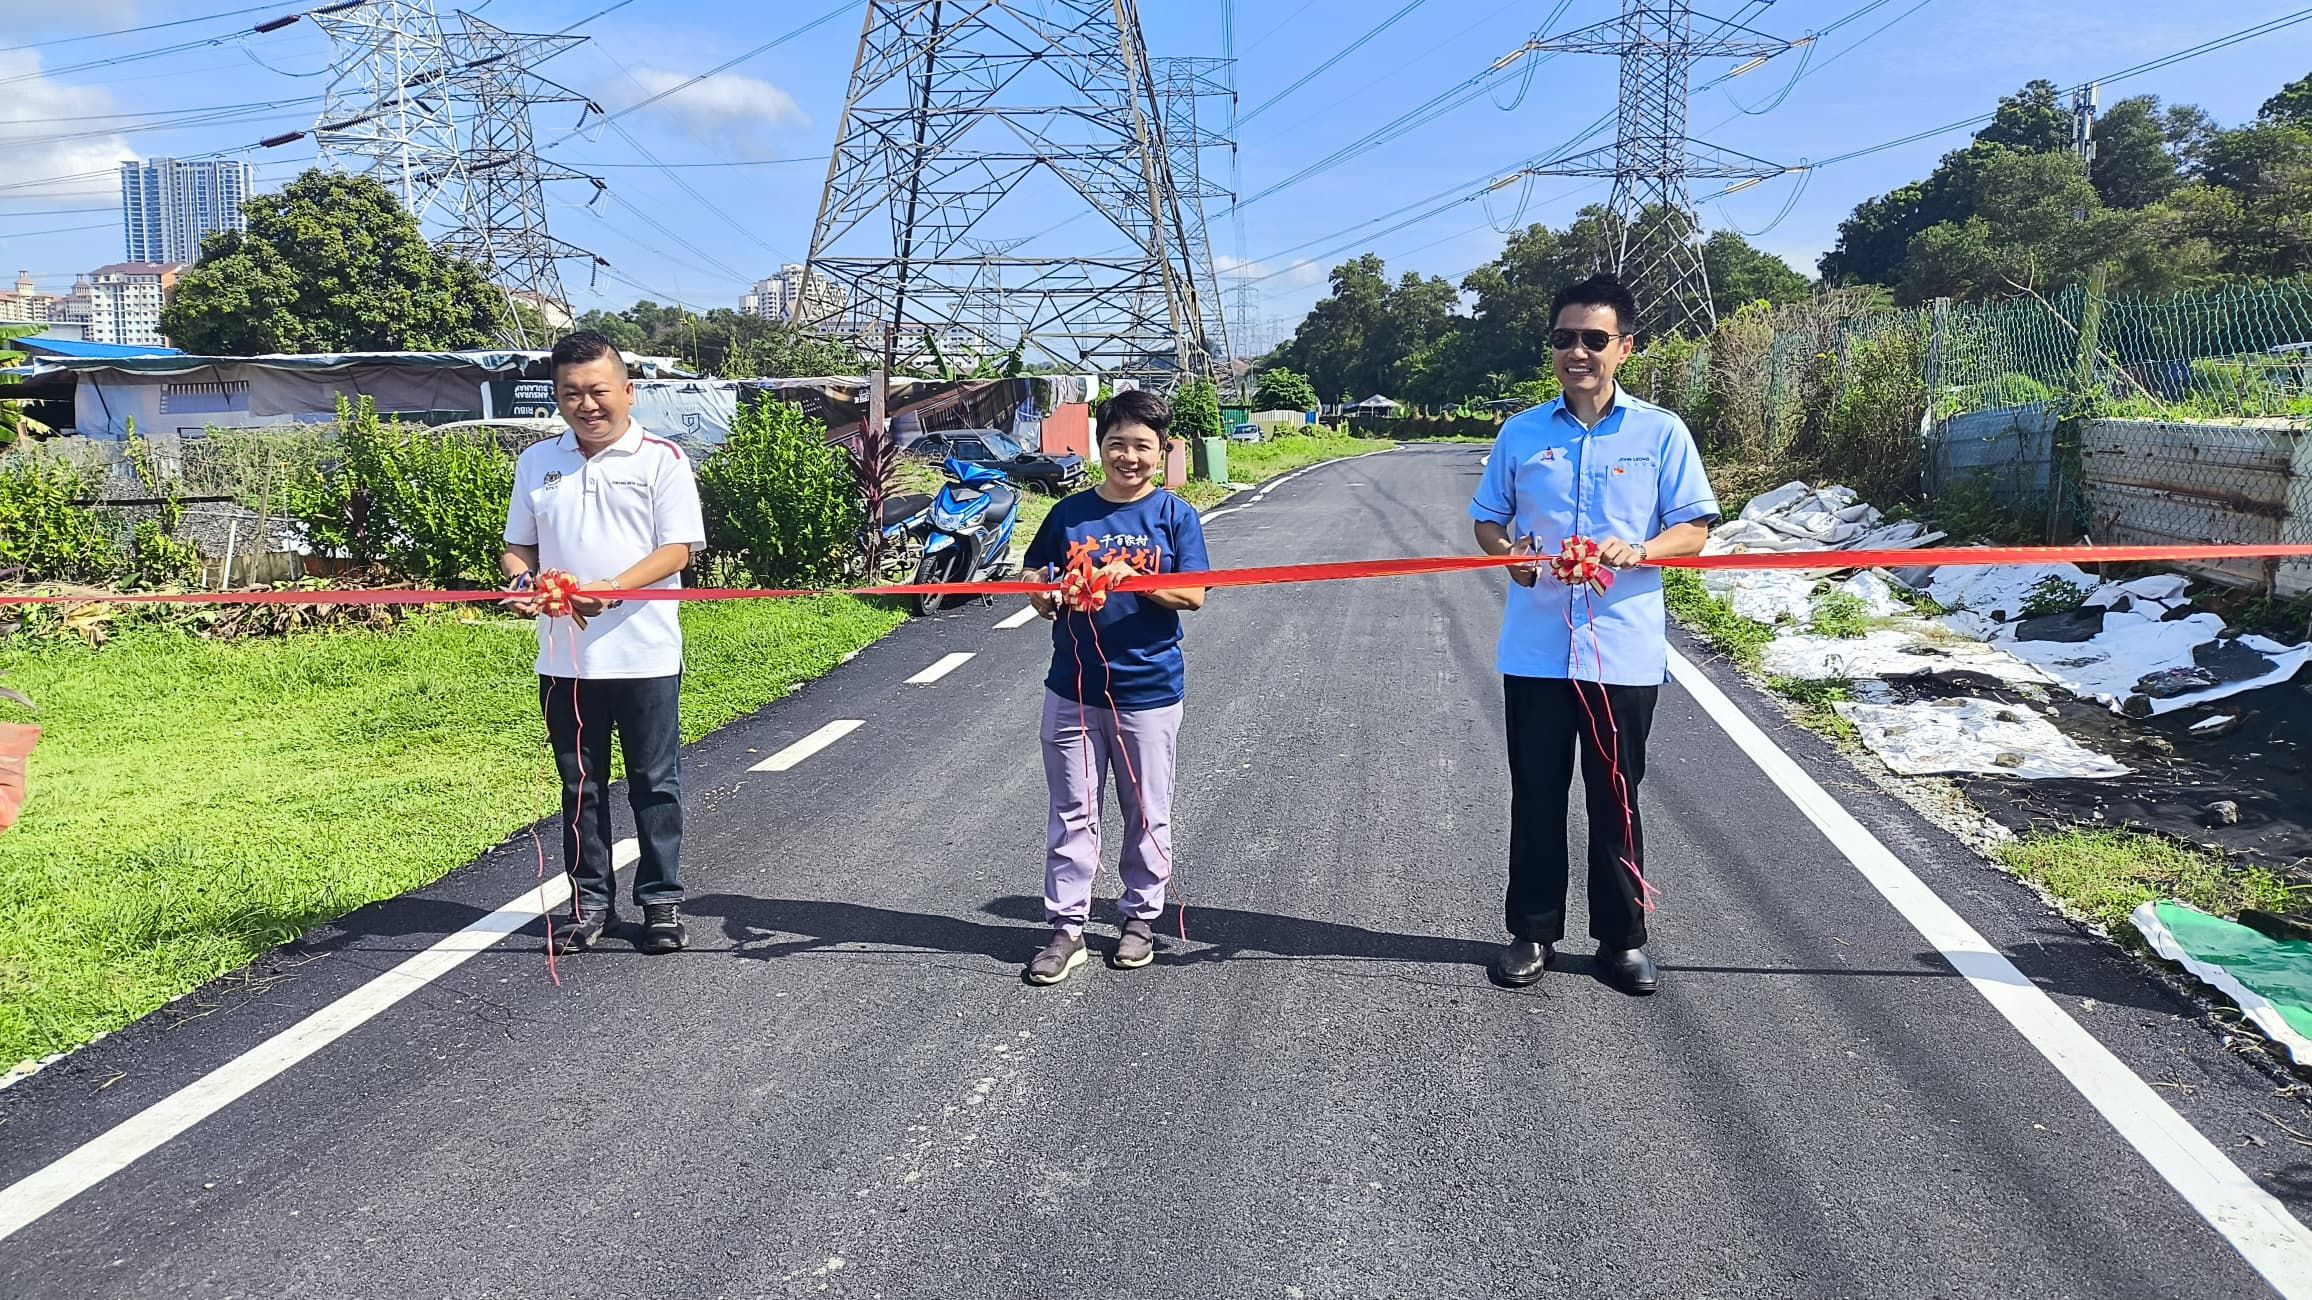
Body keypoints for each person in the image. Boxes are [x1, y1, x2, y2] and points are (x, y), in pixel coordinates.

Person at [1467, 273, 1720, 995]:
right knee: (1536, 794)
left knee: (1617, 795)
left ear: (1625, 348)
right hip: (1539, 649)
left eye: (1593, 339)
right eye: (1564, 339)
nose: (1577, 351)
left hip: (1623, 648)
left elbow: (1694, 530)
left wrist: (1642, 549)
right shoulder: (1521, 433)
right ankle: (1532, 931)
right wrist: (1507, 554)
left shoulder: (1660, 432)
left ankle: (1623, 939)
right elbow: (1488, 519)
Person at [501, 330, 707, 956]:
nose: (586, 405)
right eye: (571, 394)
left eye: (598, 391)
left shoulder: (661, 459)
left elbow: (678, 548)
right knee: (580, 784)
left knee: (655, 782)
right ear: (557, 399)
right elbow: (518, 547)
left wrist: (612, 588)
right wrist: (521, 581)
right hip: (566, 659)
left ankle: (661, 903)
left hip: (643, 652)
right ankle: (590, 902)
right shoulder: (539, 461)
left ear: (628, 391)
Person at [1019, 388, 1212, 985]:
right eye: (1117, 444)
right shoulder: (1068, 514)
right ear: (1100, 446)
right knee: (1072, 811)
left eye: (1142, 447)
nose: (1128, 457)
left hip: (1148, 691)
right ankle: (1066, 928)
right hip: (1071, 689)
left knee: (1146, 810)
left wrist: (1135, 579)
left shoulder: (1175, 516)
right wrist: (1041, 594)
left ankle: (1139, 918)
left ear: (1163, 451)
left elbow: (1195, 594)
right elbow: (1034, 570)